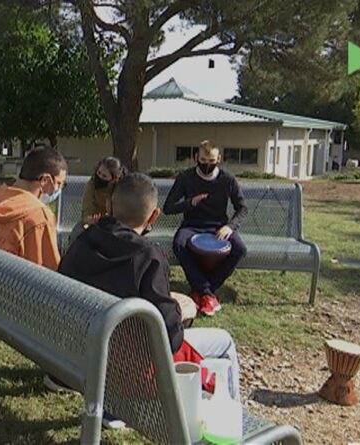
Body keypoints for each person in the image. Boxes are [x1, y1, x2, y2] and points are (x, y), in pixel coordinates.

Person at [59, 173, 242, 428]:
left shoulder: (82, 242)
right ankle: (231, 423)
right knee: (224, 342)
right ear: (154, 216)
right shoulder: (148, 256)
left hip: (78, 357)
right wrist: (182, 310)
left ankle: (112, 407)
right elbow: (169, 338)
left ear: (109, 205)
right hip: (133, 373)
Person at [163, 140, 247, 317]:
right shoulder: (185, 178)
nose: (207, 165)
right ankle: (207, 294)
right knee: (179, 244)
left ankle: (201, 290)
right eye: (203, 160)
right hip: (192, 226)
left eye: (211, 161)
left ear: (219, 159)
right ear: (196, 157)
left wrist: (230, 226)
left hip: (218, 227)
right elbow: (168, 207)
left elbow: (242, 208)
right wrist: (190, 203)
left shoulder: (227, 179)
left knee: (239, 249)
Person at [0, 147, 67, 270]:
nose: (58, 189)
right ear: (45, 180)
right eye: (59, 184)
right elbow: (48, 273)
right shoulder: (39, 217)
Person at [81, 156, 126, 225]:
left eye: (104, 176)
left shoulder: (120, 189)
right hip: (95, 223)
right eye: (99, 172)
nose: (100, 177)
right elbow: (87, 210)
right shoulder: (91, 185)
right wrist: (89, 219)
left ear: (114, 178)